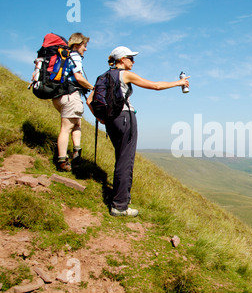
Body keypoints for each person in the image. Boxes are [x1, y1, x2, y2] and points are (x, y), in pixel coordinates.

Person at [88, 46, 189, 217]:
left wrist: (101, 119)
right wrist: (179, 83)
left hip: (111, 121)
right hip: (126, 118)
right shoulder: (124, 74)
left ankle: (119, 201)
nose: (133, 61)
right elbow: (155, 86)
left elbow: (90, 100)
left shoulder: (103, 76)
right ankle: (120, 206)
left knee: (120, 158)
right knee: (125, 161)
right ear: (121, 60)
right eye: (130, 58)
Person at [52, 32, 94, 171]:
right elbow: (78, 77)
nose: (86, 49)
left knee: (77, 123)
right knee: (66, 128)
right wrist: (92, 87)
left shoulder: (64, 56)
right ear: (77, 44)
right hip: (70, 95)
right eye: (84, 45)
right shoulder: (75, 56)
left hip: (58, 96)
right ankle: (62, 161)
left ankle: (77, 152)